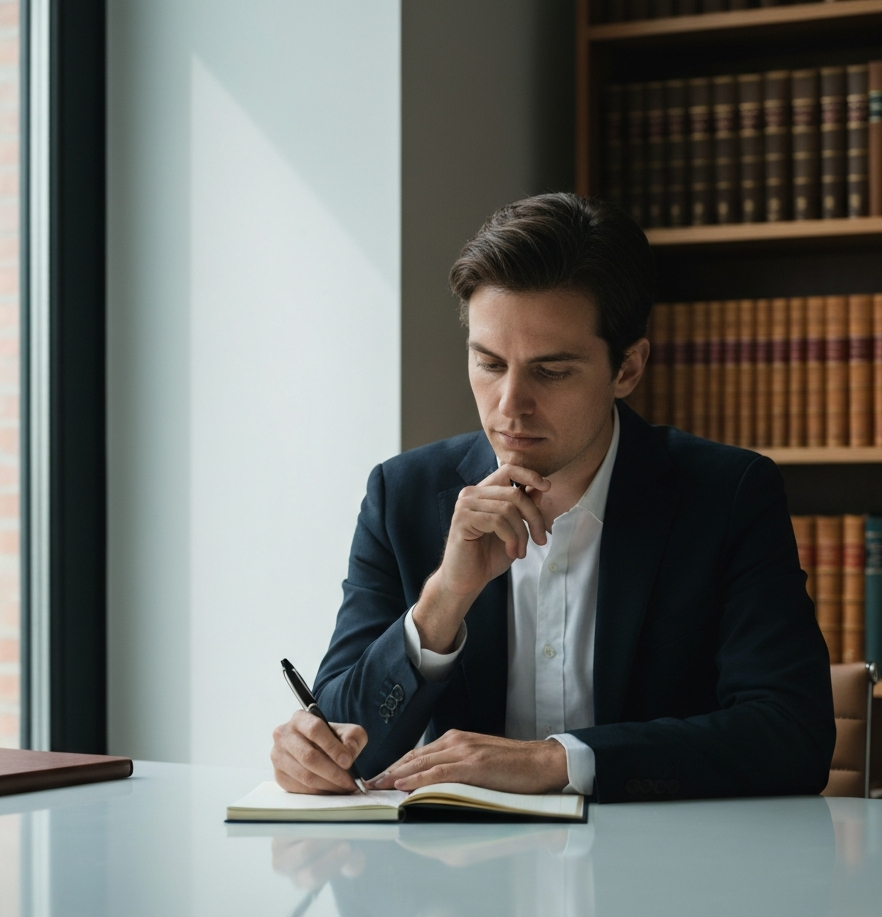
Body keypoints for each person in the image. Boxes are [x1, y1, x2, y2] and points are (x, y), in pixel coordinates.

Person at [270, 192, 834, 802]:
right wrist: (446, 597)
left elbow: (792, 736)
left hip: (662, 877)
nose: (510, 405)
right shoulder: (402, 494)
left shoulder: (729, 496)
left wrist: (557, 761)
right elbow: (347, 747)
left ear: (628, 369)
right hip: (463, 885)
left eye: (552, 371)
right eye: (488, 363)